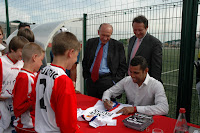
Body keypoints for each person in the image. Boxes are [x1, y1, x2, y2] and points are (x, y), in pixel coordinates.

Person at [34, 32, 81, 133]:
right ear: (70, 53)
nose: (75, 60)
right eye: (76, 56)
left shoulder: (41, 72)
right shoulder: (63, 80)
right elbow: (68, 124)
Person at [102, 56, 169, 116]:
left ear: (146, 71)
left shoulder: (156, 85)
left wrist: (135, 109)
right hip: (130, 117)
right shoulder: (127, 80)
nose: (132, 76)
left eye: (136, 73)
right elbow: (109, 92)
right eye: (131, 72)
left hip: (147, 119)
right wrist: (106, 100)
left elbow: (164, 108)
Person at [82, 23, 127, 99]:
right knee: (91, 106)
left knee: (107, 107)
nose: (105, 38)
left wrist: (114, 81)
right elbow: (85, 61)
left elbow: (122, 66)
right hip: (91, 81)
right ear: (98, 32)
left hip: (108, 82)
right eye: (103, 35)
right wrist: (87, 78)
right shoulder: (90, 43)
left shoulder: (117, 46)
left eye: (108, 36)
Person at [12, 42, 45, 133]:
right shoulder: (24, 77)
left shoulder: (32, 75)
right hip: (26, 126)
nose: (42, 63)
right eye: (41, 60)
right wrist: (35, 100)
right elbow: (18, 107)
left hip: (32, 124)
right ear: (34, 57)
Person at [0, 36, 29, 132]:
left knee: (13, 127)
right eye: (21, 51)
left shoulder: (23, 63)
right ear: (12, 49)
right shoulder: (2, 62)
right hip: (2, 103)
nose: (23, 54)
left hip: (15, 104)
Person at [127, 15, 162, 82]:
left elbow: (156, 67)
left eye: (140, 30)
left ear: (146, 28)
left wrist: (153, 83)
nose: (137, 32)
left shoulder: (155, 43)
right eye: (135, 30)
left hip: (144, 81)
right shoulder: (132, 40)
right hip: (130, 79)